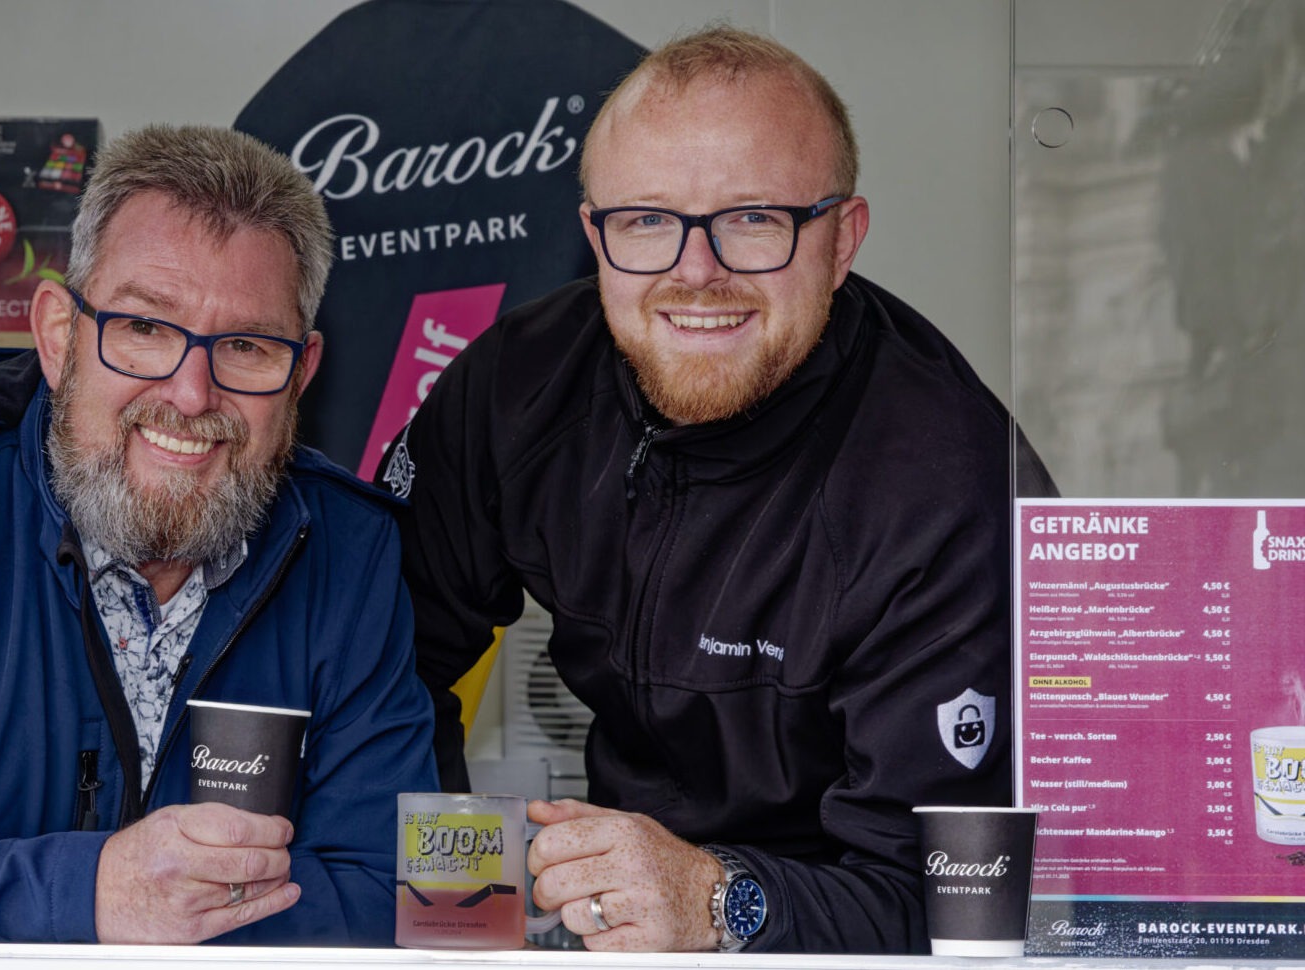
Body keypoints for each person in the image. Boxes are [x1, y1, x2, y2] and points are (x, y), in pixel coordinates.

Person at [374, 26, 1056, 954]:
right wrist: (459, 905)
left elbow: (949, 906)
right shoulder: (514, 386)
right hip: (613, 914)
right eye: (647, 220)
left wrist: (717, 902)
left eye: (753, 219)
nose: (697, 272)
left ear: (842, 239)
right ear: (593, 235)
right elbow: (379, 663)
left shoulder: (949, 487)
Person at [0, 124, 438, 944]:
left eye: (245, 346)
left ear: (301, 371)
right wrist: (87, 896)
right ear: (61, 337)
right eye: (144, 329)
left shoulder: (349, 551)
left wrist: (169, 908)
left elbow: (392, 894)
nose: (192, 394)